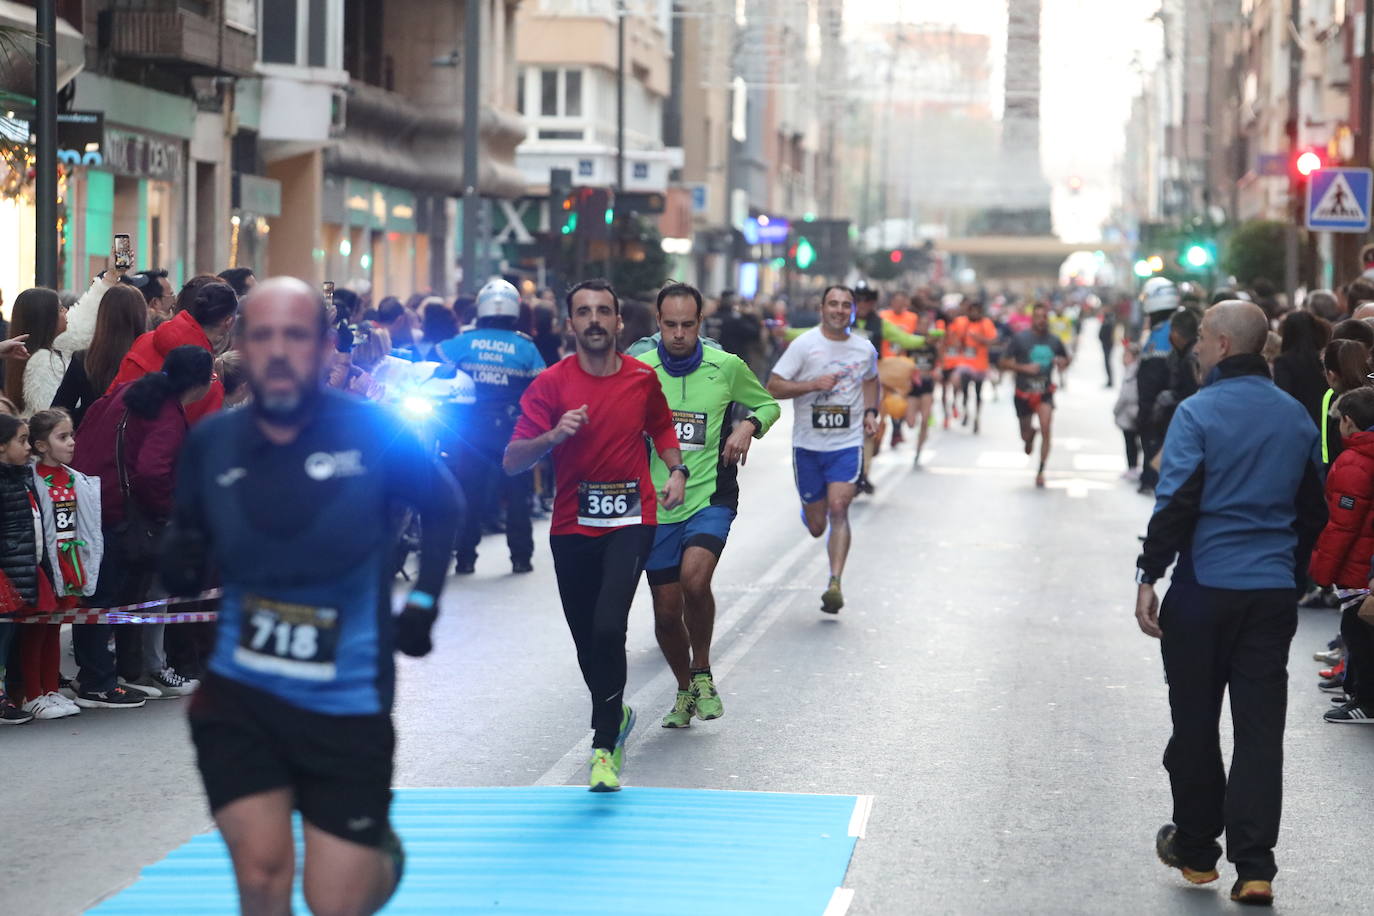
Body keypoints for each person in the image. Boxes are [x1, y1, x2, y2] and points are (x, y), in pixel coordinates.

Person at [163, 277, 460, 916]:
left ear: (325, 346)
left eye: (294, 335)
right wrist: (177, 561)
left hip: (346, 701)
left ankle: (379, 854)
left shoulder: (374, 431)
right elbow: (185, 542)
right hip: (242, 698)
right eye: (261, 334)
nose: (277, 350)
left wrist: (426, 602)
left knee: (335, 901)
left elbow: (445, 504)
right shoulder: (213, 443)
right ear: (239, 343)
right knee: (264, 878)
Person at [1135, 301, 1326, 907]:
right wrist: (1290, 574)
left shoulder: (1198, 413)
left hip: (1205, 588)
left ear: (1219, 344)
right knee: (1259, 731)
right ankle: (1255, 866)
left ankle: (1195, 851)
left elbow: (1177, 501)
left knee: (1194, 721)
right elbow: (1313, 508)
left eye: (1201, 345)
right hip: (1269, 593)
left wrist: (1149, 573)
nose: (1194, 352)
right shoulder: (1295, 416)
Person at [503, 278, 685, 792]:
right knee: (587, 641)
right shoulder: (550, 386)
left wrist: (676, 472)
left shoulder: (641, 378)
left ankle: (604, 744)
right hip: (571, 526)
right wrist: (553, 435)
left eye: (604, 311)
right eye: (584, 312)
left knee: (609, 628)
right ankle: (617, 711)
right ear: (570, 324)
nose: (595, 320)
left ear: (619, 321)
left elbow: (662, 427)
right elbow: (513, 461)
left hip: (631, 520)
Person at [634, 282, 780, 728]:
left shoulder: (727, 366)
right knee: (664, 612)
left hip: (710, 496)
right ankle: (684, 689)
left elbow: (769, 404)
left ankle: (702, 670)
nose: (679, 334)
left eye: (688, 324)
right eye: (671, 325)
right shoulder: (638, 369)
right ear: (658, 323)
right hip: (656, 505)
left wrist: (747, 426)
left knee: (695, 582)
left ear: (701, 323)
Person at [72, 345, 213, 702]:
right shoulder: (167, 415)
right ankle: (98, 682)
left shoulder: (129, 391)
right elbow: (153, 471)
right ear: (197, 383)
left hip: (91, 497)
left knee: (103, 597)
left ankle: (108, 674)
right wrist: (166, 510)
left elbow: (88, 426)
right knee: (106, 599)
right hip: (121, 514)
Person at [766, 284, 879, 614]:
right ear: (822, 309)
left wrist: (870, 412)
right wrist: (811, 385)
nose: (839, 310)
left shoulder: (864, 349)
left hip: (846, 444)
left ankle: (835, 582)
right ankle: (810, 512)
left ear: (853, 311)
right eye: (833, 304)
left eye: (846, 305)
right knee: (817, 525)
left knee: (840, 508)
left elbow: (871, 379)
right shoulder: (804, 346)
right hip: (808, 446)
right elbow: (774, 386)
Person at [437, 279, 545, 575]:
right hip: (513, 432)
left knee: (468, 494)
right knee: (517, 496)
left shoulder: (462, 342)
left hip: (469, 432)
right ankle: (521, 558)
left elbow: (432, 365)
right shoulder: (525, 346)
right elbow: (542, 387)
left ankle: (465, 558)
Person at [19, 408, 104, 719]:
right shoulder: (31, 479)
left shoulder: (74, 479)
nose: (72, 443)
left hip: (68, 563)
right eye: (62, 437)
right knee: (35, 630)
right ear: (40, 445)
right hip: (45, 564)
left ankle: (51, 689)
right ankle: (32, 694)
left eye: (71, 436)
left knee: (54, 627)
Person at [1308, 387, 1374, 724]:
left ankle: (1365, 700)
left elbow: (1343, 525)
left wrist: (1322, 570)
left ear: (1348, 422)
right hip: (1366, 563)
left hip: (1357, 566)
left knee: (1358, 632)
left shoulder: (1354, 461)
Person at [108, 281, 237, 423]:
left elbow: (110, 398)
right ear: (228, 322)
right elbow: (198, 442)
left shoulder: (144, 340)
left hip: (109, 437)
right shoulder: (207, 385)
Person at [52, 283, 148, 428]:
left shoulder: (85, 359)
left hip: (94, 441)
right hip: (139, 441)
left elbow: (58, 410)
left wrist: (89, 414)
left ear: (103, 315)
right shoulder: (148, 357)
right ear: (141, 317)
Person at [1001, 303, 1070, 488]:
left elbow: (1065, 359)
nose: (1041, 321)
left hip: (1045, 392)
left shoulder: (1054, 341)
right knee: (1025, 434)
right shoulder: (1020, 339)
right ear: (1032, 319)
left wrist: (1063, 362)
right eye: (1038, 317)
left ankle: (1041, 470)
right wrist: (1024, 368)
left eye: (1044, 317)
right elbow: (1003, 362)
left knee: (1046, 427)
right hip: (1023, 392)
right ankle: (1029, 435)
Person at [6, 287, 69, 418]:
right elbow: (49, 415)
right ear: (46, 318)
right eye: (60, 309)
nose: (66, 311)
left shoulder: (39, 356)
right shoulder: (43, 361)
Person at [1272, 310, 1331, 429]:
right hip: (1324, 419)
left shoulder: (1283, 362)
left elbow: (1284, 395)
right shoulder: (1323, 359)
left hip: (1297, 422)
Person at [948, 300, 998, 434]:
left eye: (977, 311)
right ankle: (964, 410)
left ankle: (976, 417)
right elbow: (951, 335)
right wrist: (956, 344)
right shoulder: (961, 322)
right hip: (965, 363)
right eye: (972, 310)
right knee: (963, 388)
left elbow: (993, 340)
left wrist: (979, 339)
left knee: (978, 393)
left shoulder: (986, 323)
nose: (974, 313)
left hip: (980, 365)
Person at [1114, 343, 1141, 480]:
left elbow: (1126, 394)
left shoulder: (1132, 370)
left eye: (1126, 356)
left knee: (1131, 442)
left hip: (1130, 412)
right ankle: (1134, 467)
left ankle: (1133, 468)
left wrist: (1116, 409)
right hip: (1133, 411)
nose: (1123, 359)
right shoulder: (1133, 369)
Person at [1100, 302, 1118, 387]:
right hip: (1105, 343)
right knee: (1106, 362)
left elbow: (1111, 331)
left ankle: (1110, 381)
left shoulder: (1110, 318)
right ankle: (1109, 380)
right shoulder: (1107, 317)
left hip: (1108, 344)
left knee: (1108, 362)